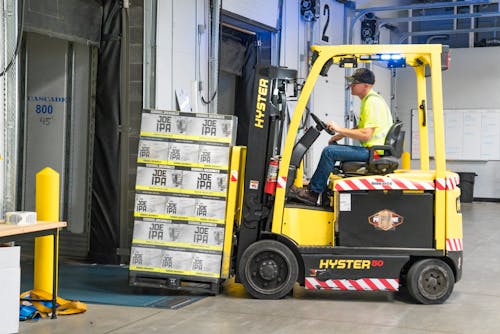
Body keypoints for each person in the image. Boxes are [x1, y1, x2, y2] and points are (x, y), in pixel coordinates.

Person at [292, 68, 393, 205]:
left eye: (354, 83)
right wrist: (338, 136)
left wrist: (339, 128)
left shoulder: (372, 102)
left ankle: (313, 193)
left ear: (366, 85)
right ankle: (321, 191)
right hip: (372, 151)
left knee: (329, 152)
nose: (350, 85)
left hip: (373, 152)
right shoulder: (369, 100)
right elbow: (361, 128)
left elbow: (366, 134)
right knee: (332, 149)